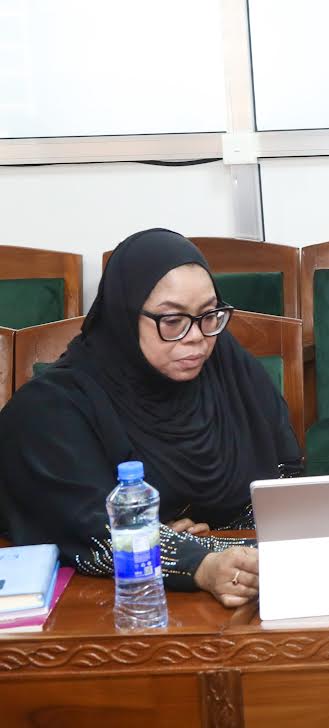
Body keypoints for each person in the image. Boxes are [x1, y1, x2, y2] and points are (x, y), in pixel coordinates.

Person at [0, 230, 301, 607]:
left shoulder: (228, 368)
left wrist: (204, 540)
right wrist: (193, 558)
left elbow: (285, 481)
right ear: (124, 317)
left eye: (209, 315)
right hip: (116, 606)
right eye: (173, 320)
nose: (197, 337)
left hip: (246, 585)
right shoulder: (50, 409)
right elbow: (89, 530)